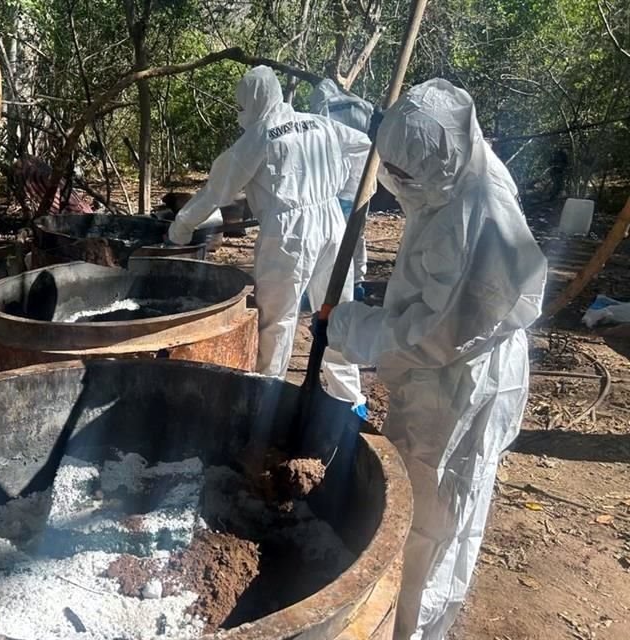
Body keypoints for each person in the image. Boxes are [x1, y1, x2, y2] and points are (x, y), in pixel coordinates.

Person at [326, 79, 548, 640]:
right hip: (451, 371)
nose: (396, 184)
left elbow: (435, 335)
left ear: (438, 159)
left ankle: (411, 627)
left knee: (435, 512)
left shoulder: (478, 216)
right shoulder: (457, 177)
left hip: (460, 381)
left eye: (405, 174)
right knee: (436, 502)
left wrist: (350, 325)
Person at [167, 65, 372, 409]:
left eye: (242, 106)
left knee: (278, 319)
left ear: (253, 100)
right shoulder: (320, 123)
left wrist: (180, 228)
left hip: (288, 234)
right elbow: (366, 146)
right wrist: (348, 191)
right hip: (334, 223)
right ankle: (350, 399)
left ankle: (268, 399)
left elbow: (215, 190)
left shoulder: (259, 136)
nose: (241, 114)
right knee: (338, 312)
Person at [307, 78, 375, 295]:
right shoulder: (362, 105)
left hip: (340, 184)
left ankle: (332, 285)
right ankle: (357, 282)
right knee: (356, 234)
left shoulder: (325, 110)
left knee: (332, 235)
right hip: (365, 179)